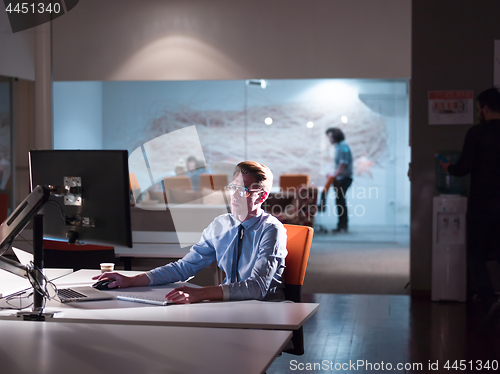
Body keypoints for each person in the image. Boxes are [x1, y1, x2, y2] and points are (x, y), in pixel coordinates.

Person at [93, 161, 287, 304]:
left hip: (263, 310)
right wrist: (133, 280)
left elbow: (257, 288)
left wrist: (202, 293)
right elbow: (184, 268)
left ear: (261, 196)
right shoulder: (221, 225)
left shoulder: (271, 230)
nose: (234, 195)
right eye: (233, 188)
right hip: (229, 306)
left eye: (243, 190)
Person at [440, 87, 500, 317]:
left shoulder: (477, 133)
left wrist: (448, 168)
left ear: (484, 108)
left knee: (476, 256)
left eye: (478, 108)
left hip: (482, 206)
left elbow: (463, 168)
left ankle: (488, 301)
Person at [325, 127, 353, 233]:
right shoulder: (339, 147)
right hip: (341, 178)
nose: (329, 139)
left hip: (343, 179)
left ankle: (342, 225)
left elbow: (342, 164)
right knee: (340, 202)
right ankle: (342, 225)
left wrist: (334, 175)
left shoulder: (343, 147)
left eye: (330, 136)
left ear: (335, 136)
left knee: (341, 202)